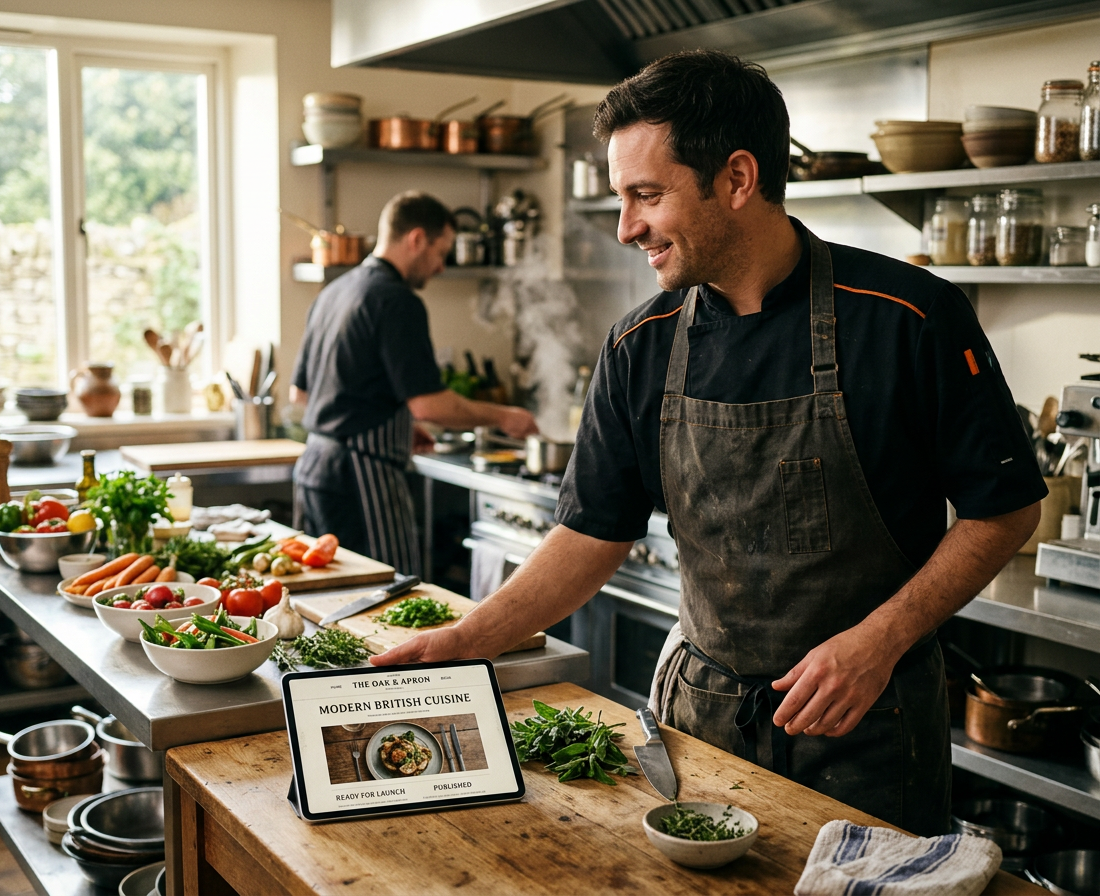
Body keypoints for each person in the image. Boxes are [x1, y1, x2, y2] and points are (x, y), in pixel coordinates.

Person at [371, 53, 1046, 835]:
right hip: (701, 724)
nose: (627, 228)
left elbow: (1006, 511)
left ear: (735, 178)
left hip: (870, 727)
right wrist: (465, 640)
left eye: (646, 196)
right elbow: (593, 532)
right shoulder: (640, 345)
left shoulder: (909, 318)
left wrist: (877, 641)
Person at [291, 191, 538, 576]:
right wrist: (503, 417)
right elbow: (429, 404)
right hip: (362, 479)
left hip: (314, 469)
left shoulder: (335, 291)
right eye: (442, 252)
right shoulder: (396, 300)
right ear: (417, 239)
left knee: (327, 594)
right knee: (389, 593)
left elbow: (303, 394)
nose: (441, 267)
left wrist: (395, 427)